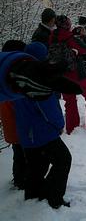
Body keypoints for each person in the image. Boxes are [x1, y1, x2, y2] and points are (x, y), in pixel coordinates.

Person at [13, 42, 72, 209]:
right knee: (63, 159)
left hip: (26, 133)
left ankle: (32, 196)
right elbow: (48, 107)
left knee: (36, 166)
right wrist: (59, 124)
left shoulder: (18, 75)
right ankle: (54, 198)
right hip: (41, 132)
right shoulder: (38, 78)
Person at [50, 15, 86, 134]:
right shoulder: (69, 37)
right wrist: (82, 37)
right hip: (77, 72)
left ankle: (72, 127)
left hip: (62, 74)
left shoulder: (52, 36)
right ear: (67, 24)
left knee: (69, 101)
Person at [0, 40, 28, 191]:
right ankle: (21, 180)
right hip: (19, 128)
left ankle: (18, 178)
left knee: (18, 153)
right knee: (22, 155)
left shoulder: (4, 75)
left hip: (11, 126)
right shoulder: (12, 81)